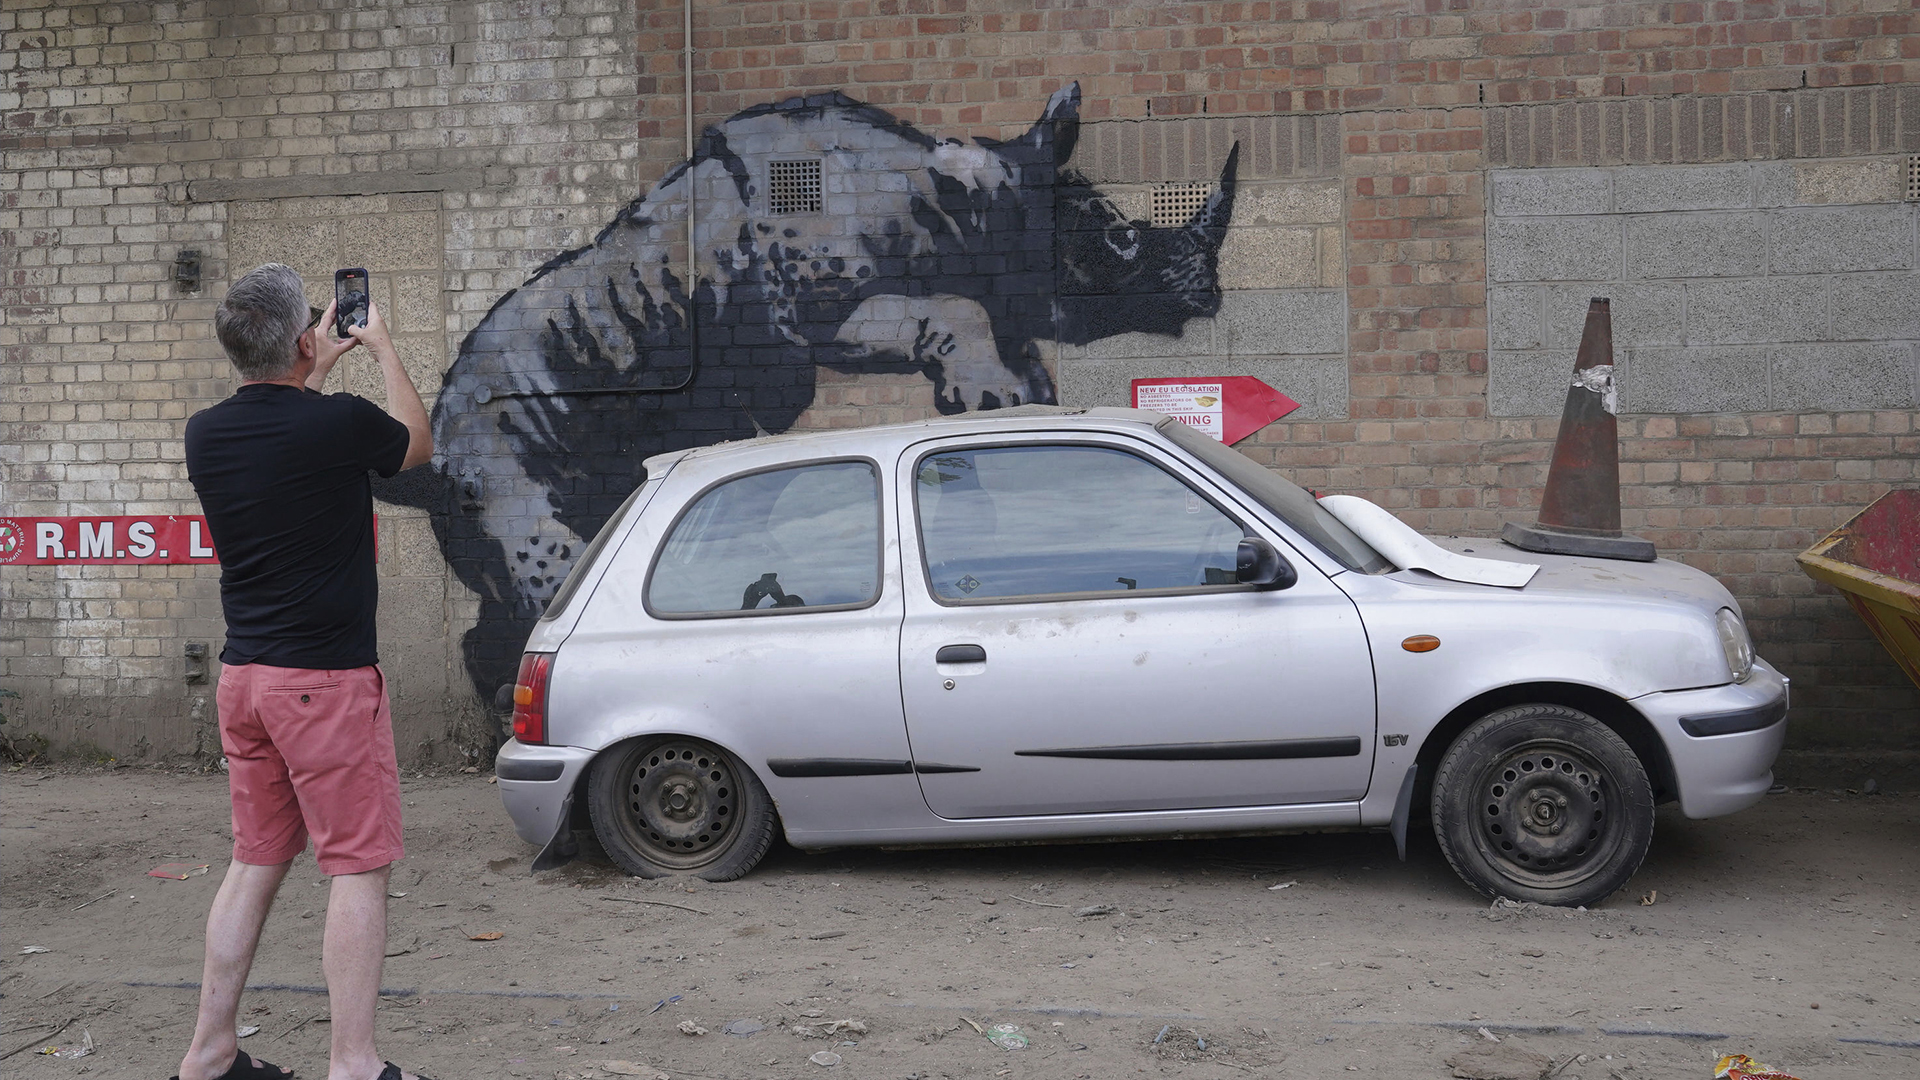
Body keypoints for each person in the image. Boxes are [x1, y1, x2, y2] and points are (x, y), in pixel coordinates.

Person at [177, 263, 433, 1080]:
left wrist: (307, 363)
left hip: (245, 683)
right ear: (300, 338)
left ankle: (209, 1054)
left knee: (254, 861)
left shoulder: (205, 434)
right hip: (323, 685)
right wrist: (383, 348)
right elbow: (416, 447)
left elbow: (285, 413)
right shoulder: (342, 425)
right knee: (356, 867)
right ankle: (354, 1064)